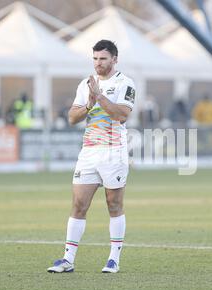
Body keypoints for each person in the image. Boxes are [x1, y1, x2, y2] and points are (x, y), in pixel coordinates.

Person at [47, 40, 136, 274]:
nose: (98, 63)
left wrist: (100, 97)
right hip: (88, 152)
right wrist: (88, 104)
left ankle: (113, 259)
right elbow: (72, 118)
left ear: (114, 59)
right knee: (78, 204)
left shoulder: (125, 83)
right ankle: (68, 260)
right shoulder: (85, 84)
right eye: (95, 58)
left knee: (113, 204)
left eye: (103, 58)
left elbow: (122, 115)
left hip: (113, 151)